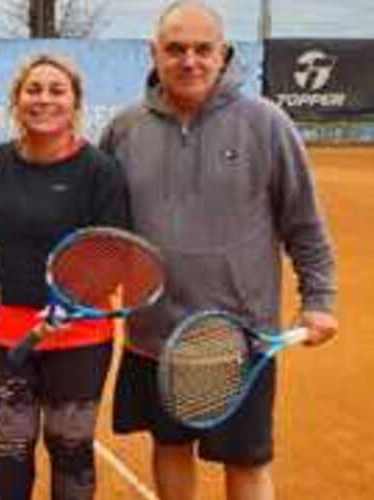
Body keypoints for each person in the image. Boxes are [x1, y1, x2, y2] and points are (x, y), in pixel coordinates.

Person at [98, 1, 338, 499]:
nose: (190, 61)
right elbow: (103, 231)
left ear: (223, 54)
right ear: (154, 53)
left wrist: (318, 300)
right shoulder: (123, 130)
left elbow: (305, 224)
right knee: (170, 447)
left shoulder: (267, 123)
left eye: (203, 50)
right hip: (154, 334)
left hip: (240, 338)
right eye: (176, 49)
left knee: (246, 463)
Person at [0, 54, 132, 500]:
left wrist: (74, 302)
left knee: (70, 448)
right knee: (10, 447)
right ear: (17, 100)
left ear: (75, 102)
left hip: (80, 338)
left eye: (56, 90)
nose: (44, 99)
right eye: (34, 89)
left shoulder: (99, 171)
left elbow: (114, 253)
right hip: (4, 337)